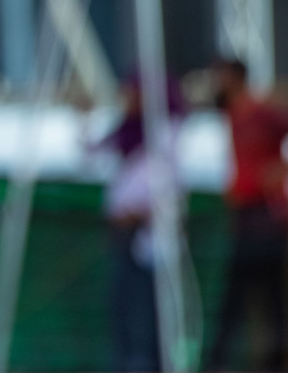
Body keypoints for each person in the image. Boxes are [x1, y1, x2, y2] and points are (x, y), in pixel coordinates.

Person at [205, 58, 288, 371]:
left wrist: (284, 170)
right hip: (245, 217)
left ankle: (272, 363)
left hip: (268, 219)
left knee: (270, 297)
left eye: (221, 76)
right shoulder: (231, 114)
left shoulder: (262, 111)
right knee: (239, 299)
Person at [92, 75, 185, 372]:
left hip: (147, 238)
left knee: (146, 311)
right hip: (125, 235)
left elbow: (167, 188)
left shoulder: (166, 135)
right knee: (125, 310)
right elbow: (90, 154)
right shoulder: (128, 134)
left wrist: (140, 212)